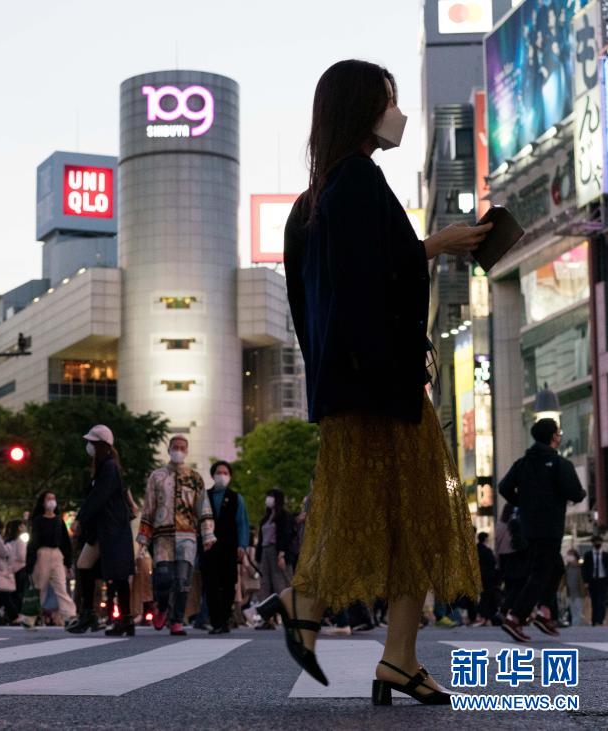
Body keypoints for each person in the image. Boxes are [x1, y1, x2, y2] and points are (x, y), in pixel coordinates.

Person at [277, 60, 485, 705]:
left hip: (346, 387)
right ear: (363, 108)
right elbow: (373, 279)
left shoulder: (313, 201)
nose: (397, 113)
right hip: (381, 386)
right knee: (419, 514)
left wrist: (431, 246)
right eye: (388, 100)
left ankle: (382, 647)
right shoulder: (361, 182)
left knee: (374, 512)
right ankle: (355, 631)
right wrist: (438, 245)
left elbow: (331, 290)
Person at [498, 418, 586, 641]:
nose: (560, 436)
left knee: (555, 568)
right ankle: (515, 617)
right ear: (554, 437)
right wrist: (579, 494)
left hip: (528, 527)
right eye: (558, 433)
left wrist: (522, 503)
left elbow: (504, 487)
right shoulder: (559, 464)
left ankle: (544, 612)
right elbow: (575, 493)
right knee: (540, 573)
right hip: (550, 527)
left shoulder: (522, 463)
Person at [139, 434, 215, 637]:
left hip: (187, 535)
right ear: (169, 449)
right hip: (162, 536)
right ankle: (163, 607)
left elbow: (203, 507)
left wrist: (208, 535)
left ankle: (177, 621)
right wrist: (143, 538)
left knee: (182, 581)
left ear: (187, 451)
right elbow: (149, 507)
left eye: (182, 447)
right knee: (163, 577)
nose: (178, 450)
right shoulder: (157, 476)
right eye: (175, 447)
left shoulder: (194, 477)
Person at [71, 425, 136, 637]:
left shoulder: (109, 467)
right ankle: (91, 613)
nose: (89, 446)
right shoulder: (105, 467)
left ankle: (122, 619)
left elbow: (98, 497)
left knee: (117, 575)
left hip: (111, 529)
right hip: (104, 529)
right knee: (87, 565)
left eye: (92, 442)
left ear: (102, 445)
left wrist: (80, 518)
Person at [202, 461, 250, 634]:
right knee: (211, 584)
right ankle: (216, 621)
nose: (222, 476)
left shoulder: (236, 498)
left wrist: (242, 545)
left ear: (229, 476)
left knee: (229, 584)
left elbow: (242, 523)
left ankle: (225, 619)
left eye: (225, 473)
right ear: (213, 475)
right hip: (209, 547)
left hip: (229, 547)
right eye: (218, 472)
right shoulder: (204, 497)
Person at [26, 491, 76, 626]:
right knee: (39, 587)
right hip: (42, 554)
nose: (52, 501)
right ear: (43, 502)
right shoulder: (38, 520)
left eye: (53, 498)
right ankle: (29, 617)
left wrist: (68, 563)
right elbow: (33, 542)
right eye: (48, 499)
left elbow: (65, 542)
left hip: (57, 554)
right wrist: (30, 563)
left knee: (61, 586)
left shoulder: (59, 520)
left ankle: (70, 615)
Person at [256, 488, 293, 626]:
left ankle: (288, 615)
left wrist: (282, 553)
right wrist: (258, 557)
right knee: (265, 584)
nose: (268, 499)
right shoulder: (265, 518)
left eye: (271, 496)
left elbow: (286, 535)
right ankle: (267, 618)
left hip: (276, 551)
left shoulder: (284, 516)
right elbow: (261, 538)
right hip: (265, 551)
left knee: (280, 584)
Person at [4, 519, 28, 623]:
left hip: (10, 570)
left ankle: (12, 616)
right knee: (20, 594)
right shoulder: (20, 541)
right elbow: (22, 557)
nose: (24, 527)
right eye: (22, 526)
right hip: (20, 569)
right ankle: (18, 615)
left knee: (12, 594)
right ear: (19, 527)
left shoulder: (8, 541)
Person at [474, 532, 499, 626]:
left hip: (479, 575)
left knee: (483, 595)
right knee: (487, 595)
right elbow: (492, 563)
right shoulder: (487, 551)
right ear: (485, 539)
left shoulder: (475, 549)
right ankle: (486, 615)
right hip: (488, 576)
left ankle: (482, 615)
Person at [582, 536, 607, 626]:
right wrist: (585, 581)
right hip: (592, 581)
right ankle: (594, 620)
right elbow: (584, 569)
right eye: (595, 542)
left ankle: (600, 620)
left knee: (602, 601)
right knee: (594, 601)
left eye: (599, 542)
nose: (597, 543)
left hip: (603, 580)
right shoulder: (588, 555)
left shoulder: (605, 555)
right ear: (593, 543)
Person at [564, 549, 584, 627]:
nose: (569, 557)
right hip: (570, 593)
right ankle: (574, 626)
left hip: (579, 592)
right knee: (572, 611)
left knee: (578, 611)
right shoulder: (567, 568)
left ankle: (576, 627)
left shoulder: (580, 567)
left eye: (571, 555)